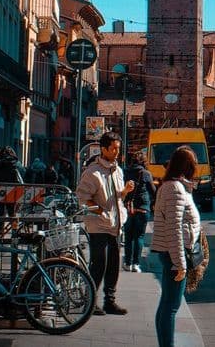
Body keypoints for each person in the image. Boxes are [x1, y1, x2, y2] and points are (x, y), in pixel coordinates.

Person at [76, 131, 134, 316]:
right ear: (104, 149)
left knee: (113, 264)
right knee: (99, 263)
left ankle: (110, 301)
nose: (117, 152)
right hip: (98, 225)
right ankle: (90, 301)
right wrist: (100, 212)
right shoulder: (93, 172)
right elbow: (83, 198)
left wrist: (125, 191)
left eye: (118, 149)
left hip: (115, 225)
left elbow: (116, 197)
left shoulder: (118, 170)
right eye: (113, 149)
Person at [151, 146, 201, 347]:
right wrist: (180, 263)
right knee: (171, 307)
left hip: (171, 252)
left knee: (166, 305)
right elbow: (174, 229)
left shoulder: (173, 186)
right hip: (174, 254)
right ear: (188, 166)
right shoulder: (175, 189)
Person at [123, 150, 156, 272]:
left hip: (128, 208)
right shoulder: (146, 174)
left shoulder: (125, 172)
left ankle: (127, 263)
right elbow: (153, 191)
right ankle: (136, 264)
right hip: (143, 208)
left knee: (128, 236)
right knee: (139, 236)